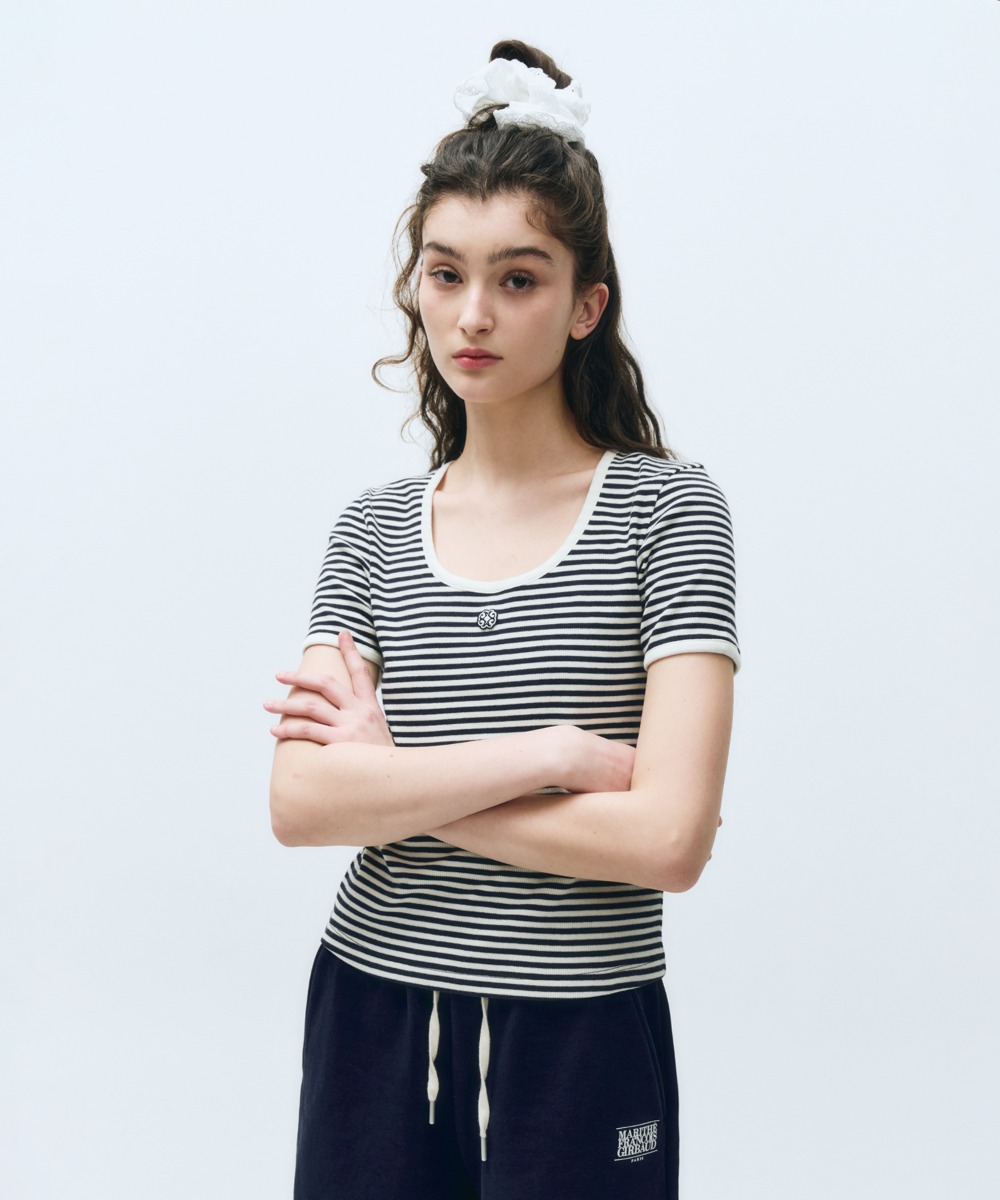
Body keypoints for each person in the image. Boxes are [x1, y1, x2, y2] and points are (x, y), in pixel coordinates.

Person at [265, 39, 741, 1200]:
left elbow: (668, 841)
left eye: (518, 280)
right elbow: (302, 804)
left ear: (586, 305)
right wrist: (554, 756)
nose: (472, 313)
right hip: (374, 1014)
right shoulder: (373, 531)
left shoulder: (668, 514)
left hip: (580, 1033)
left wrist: (399, 784)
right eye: (445, 274)